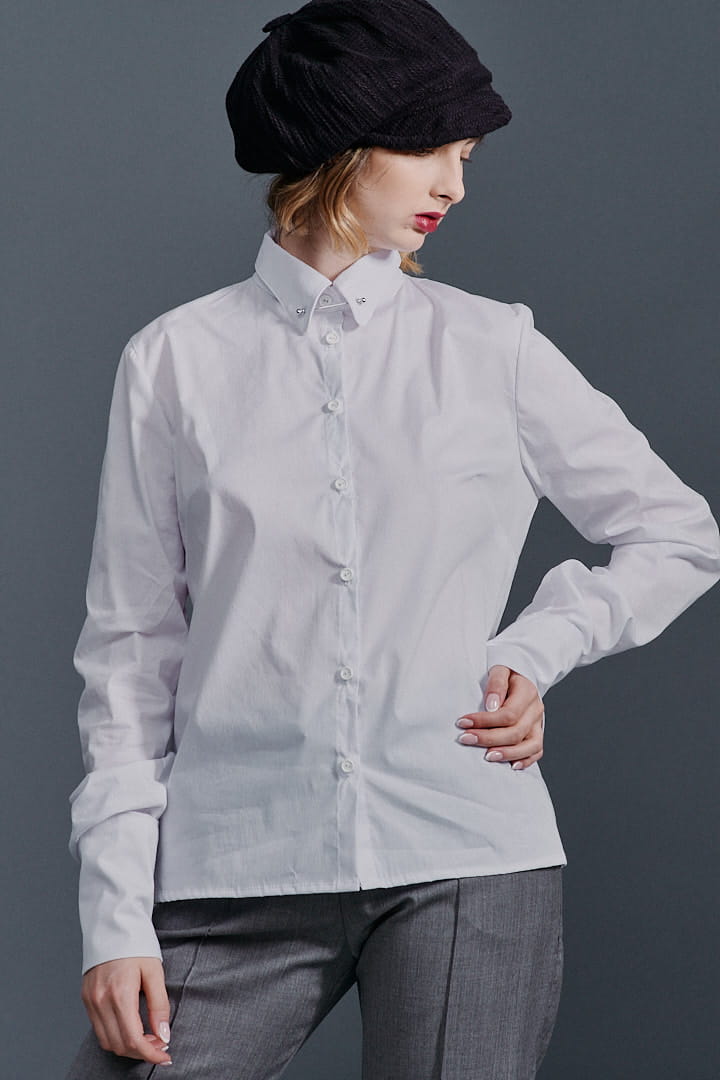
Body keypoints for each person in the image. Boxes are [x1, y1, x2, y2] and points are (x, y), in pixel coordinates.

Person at [63, 1, 720, 1077]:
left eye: (465, 158)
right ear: (341, 140)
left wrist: (533, 650)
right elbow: (131, 653)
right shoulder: (173, 362)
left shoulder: (492, 346)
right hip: (235, 865)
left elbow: (678, 532)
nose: (455, 186)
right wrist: (114, 915)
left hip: (465, 852)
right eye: (431, 149)